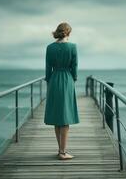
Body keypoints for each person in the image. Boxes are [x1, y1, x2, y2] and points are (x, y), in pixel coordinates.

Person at [44, 22, 80, 160]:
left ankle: (60, 149)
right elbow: (75, 67)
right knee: (65, 117)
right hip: (67, 79)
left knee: (57, 116)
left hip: (54, 79)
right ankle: (62, 152)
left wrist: (49, 80)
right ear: (68, 33)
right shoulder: (72, 47)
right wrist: (73, 79)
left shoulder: (50, 47)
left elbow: (47, 67)